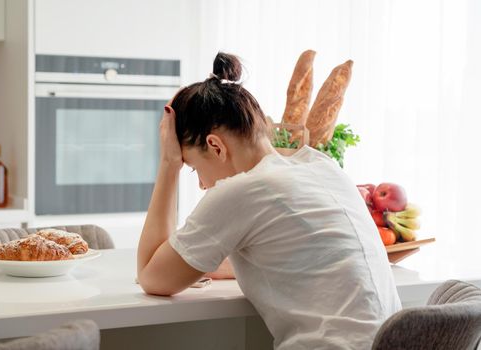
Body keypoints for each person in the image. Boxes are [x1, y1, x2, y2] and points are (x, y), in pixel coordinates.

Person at [137, 52, 401, 349]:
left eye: (194, 167)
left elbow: (151, 276)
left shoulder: (242, 190)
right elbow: (294, 256)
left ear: (215, 146)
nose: (201, 184)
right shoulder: (321, 165)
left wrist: (169, 164)